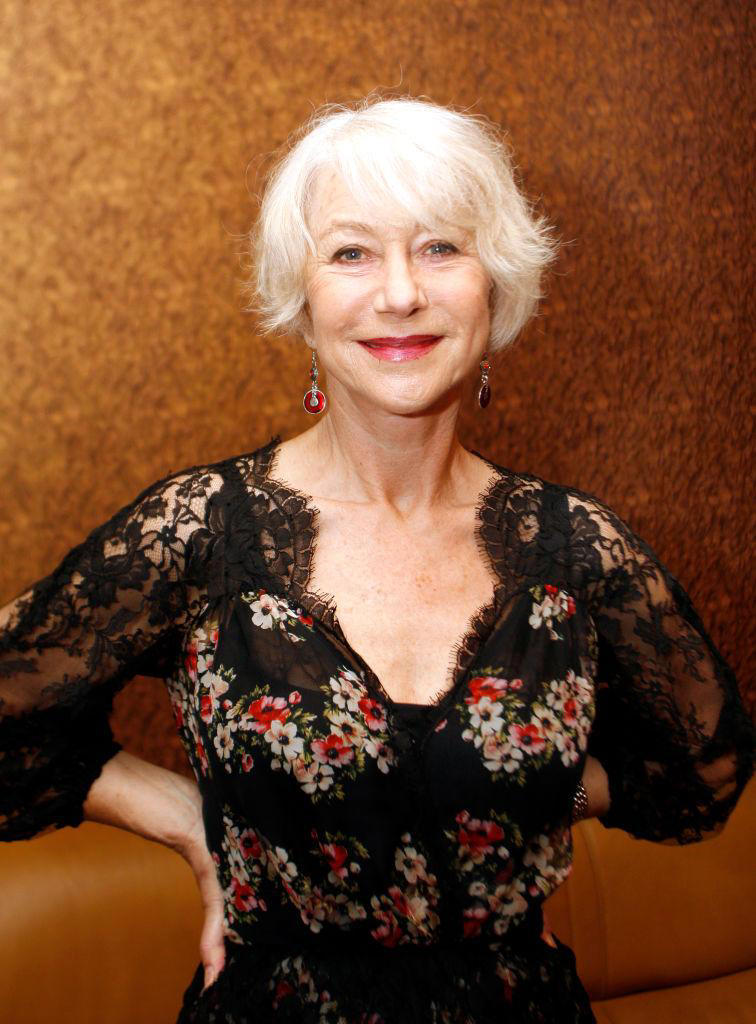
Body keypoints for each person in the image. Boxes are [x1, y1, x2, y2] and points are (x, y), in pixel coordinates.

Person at [0, 95, 753, 1024]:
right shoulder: (204, 532)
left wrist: (528, 798)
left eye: (440, 247)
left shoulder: (575, 548)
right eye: (351, 253)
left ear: (496, 286)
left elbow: (704, 764)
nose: (400, 293)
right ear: (303, 298)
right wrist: (193, 823)